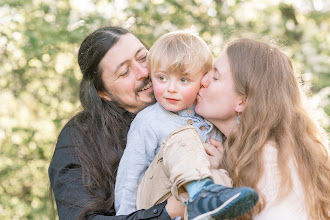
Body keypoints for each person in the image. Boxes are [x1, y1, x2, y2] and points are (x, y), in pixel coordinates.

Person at [115, 31, 258, 220]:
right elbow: (129, 176)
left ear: (202, 81)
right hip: (156, 204)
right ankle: (201, 193)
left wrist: (223, 164)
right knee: (184, 137)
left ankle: (207, 203)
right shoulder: (149, 121)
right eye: (162, 78)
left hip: (187, 209)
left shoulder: (209, 119)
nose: (171, 88)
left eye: (183, 80)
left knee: (221, 175)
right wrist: (126, 216)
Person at [49, 26, 182, 220]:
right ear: (103, 93)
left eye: (143, 57)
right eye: (125, 72)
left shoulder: (194, 101)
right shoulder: (79, 140)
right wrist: (167, 213)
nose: (143, 72)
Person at [195, 38, 330, 219]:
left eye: (215, 76)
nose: (203, 80)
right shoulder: (251, 153)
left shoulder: (272, 161)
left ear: (242, 101)